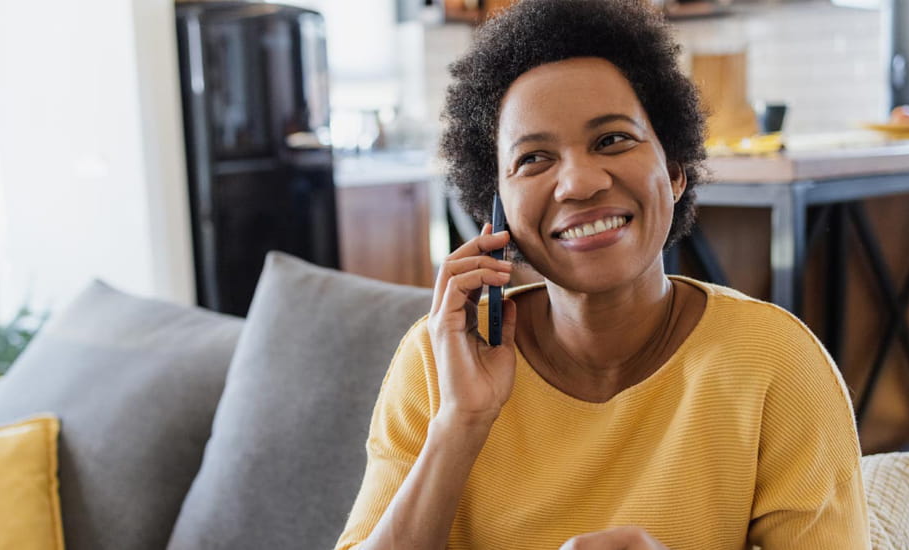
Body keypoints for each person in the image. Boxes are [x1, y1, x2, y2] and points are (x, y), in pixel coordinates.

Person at [333, 1, 870, 548]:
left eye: (612, 140)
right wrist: (460, 422)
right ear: (496, 212)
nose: (580, 184)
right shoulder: (437, 360)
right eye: (534, 159)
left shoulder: (775, 362)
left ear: (675, 170)